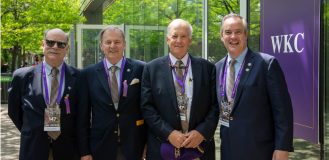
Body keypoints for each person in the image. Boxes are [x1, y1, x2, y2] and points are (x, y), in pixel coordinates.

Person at [216, 13, 294, 160]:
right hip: (228, 149)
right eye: (228, 32)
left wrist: (282, 147)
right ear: (221, 36)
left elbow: (282, 110)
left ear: (246, 35)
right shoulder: (217, 68)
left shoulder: (266, 64)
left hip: (260, 150)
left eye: (238, 32)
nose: (233, 36)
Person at [141, 19, 219, 160]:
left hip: (199, 147)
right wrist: (169, 133)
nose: (179, 40)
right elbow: (147, 107)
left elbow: (215, 106)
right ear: (167, 39)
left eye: (183, 36)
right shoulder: (151, 69)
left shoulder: (207, 68)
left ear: (189, 40)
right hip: (162, 146)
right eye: (175, 36)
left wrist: (201, 132)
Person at [8, 28, 80, 160]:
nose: (55, 47)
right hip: (33, 147)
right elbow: (14, 112)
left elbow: (82, 115)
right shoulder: (22, 76)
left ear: (67, 48)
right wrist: (33, 130)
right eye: (50, 42)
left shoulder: (79, 77)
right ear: (43, 45)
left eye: (61, 44)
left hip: (67, 149)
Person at [77, 26, 147, 160]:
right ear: (101, 46)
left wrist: (148, 143)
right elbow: (83, 116)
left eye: (117, 42)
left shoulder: (141, 69)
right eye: (108, 42)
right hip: (100, 145)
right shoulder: (88, 74)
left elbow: (148, 108)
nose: (112, 46)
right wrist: (84, 151)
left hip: (134, 144)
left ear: (124, 44)